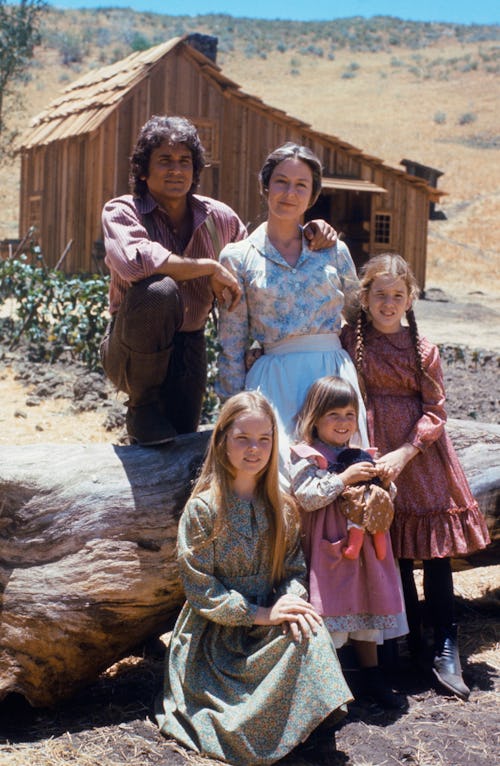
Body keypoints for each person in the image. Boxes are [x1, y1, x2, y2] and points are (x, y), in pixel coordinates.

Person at [101, 117, 337, 446]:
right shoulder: (122, 212)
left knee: (180, 443)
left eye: (185, 161)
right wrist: (208, 268)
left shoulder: (217, 218)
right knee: (159, 290)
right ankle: (141, 406)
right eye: (164, 161)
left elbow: (254, 260)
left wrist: (309, 230)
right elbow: (135, 263)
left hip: (189, 345)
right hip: (129, 347)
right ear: (143, 169)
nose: (176, 170)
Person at [155, 391, 353, 765]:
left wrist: (287, 601)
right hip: (216, 635)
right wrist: (259, 614)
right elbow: (203, 591)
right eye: (242, 438)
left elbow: (294, 567)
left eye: (264, 440)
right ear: (222, 440)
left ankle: (312, 729)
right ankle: (265, 733)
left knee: (308, 629)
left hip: (269, 616)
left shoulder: (281, 505)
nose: (254, 449)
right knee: (231, 719)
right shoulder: (203, 510)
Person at [341, 253, 491, 701]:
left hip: (419, 456)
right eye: (380, 294)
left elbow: (436, 410)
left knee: (436, 553)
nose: (389, 303)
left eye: (398, 295)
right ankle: (406, 641)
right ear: (365, 297)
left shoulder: (423, 348)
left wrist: (405, 452)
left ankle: (445, 644)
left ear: (410, 299)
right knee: (395, 552)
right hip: (372, 448)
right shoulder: (350, 340)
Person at [216, 142, 368, 472]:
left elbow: (360, 318)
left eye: (301, 185)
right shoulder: (238, 257)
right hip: (274, 379)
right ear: (265, 186)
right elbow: (232, 341)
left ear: (312, 196)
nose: (289, 193)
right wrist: (232, 411)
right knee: (282, 482)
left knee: (343, 482)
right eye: (281, 181)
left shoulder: (334, 251)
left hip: (334, 378)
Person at [290, 376, 407, 710]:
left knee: (365, 607)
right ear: (314, 418)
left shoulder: (361, 454)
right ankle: (333, 683)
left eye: (349, 415)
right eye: (333, 415)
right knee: (335, 609)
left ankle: (372, 676)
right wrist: (342, 479)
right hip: (331, 548)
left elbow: (385, 498)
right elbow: (307, 498)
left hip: (366, 549)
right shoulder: (308, 458)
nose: (343, 423)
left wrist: (383, 483)